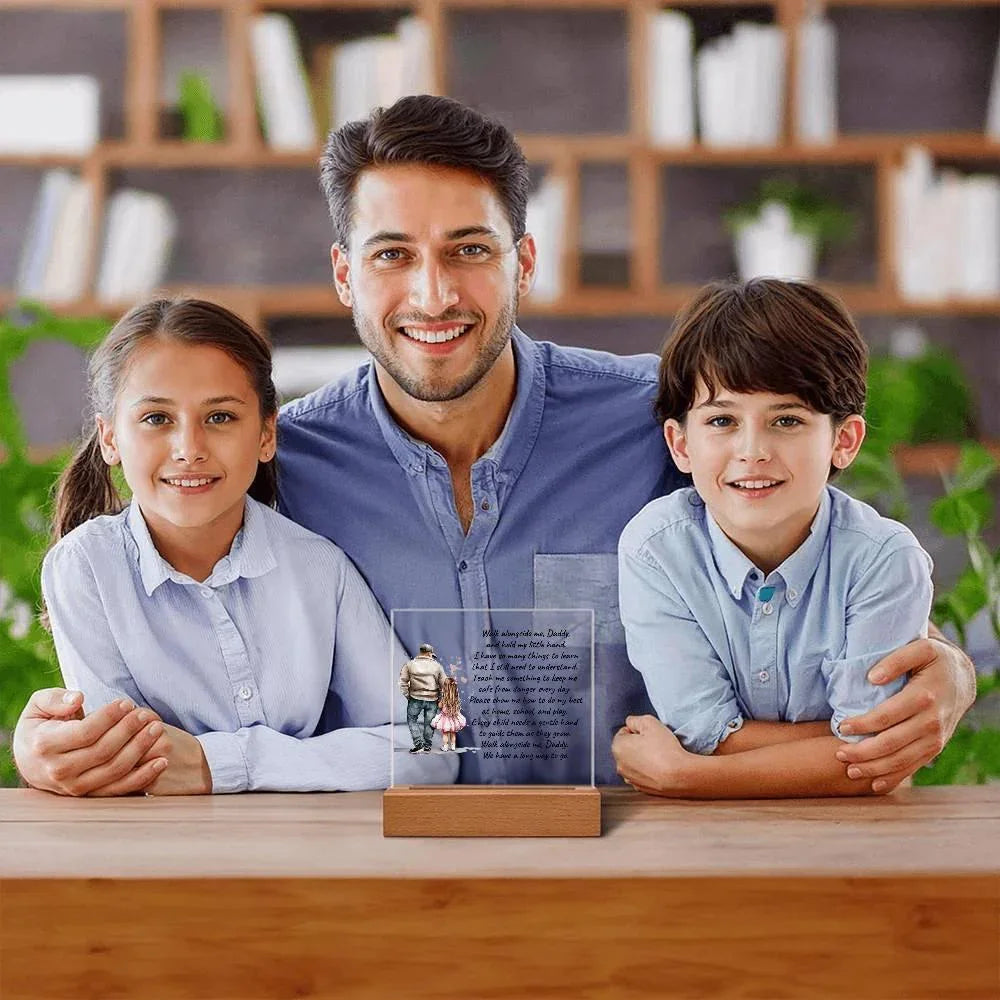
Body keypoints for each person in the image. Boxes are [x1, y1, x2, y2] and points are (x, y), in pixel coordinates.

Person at [13, 95, 976, 795]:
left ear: (523, 262)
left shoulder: (661, 416)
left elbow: (824, 562)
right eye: (393, 255)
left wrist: (946, 666)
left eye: (469, 250)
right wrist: (51, 741)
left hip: (646, 858)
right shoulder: (276, 462)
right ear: (345, 275)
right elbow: (158, 607)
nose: (433, 295)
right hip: (380, 871)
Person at [36, 297, 454, 794]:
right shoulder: (84, 568)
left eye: (220, 417)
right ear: (110, 439)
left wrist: (221, 764)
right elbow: (122, 766)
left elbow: (431, 746)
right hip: (153, 841)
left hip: (302, 837)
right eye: (156, 419)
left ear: (266, 434)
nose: (189, 449)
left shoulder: (320, 568)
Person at [613, 278, 938, 797]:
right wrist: (844, 747)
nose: (752, 451)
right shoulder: (656, 549)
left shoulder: (884, 560)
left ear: (844, 440)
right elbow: (700, 733)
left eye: (786, 420)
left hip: (855, 836)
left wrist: (687, 775)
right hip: (699, 835)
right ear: (681, 444)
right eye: (722, 419)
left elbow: (877, 755)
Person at [399, 643, 448, 752]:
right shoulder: (437, 666)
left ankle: (418, 743)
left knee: (412, 720)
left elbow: (403, 682)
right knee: (429, 723)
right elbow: (444, 684)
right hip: (432, 699)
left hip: (415, 698)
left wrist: (408, 695)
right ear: (430, 653)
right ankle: (427, 745)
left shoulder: (409, 665)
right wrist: (440, 698)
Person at [433, 677, 467, 752]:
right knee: (453, 733)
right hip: (454, 719)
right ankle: (453, 746)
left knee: (445, 733)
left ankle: (445, 746)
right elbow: (457, 709)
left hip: (445, 719)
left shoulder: (444, 699)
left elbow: (440, 706)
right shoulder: (456, 699)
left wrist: (438, 702)